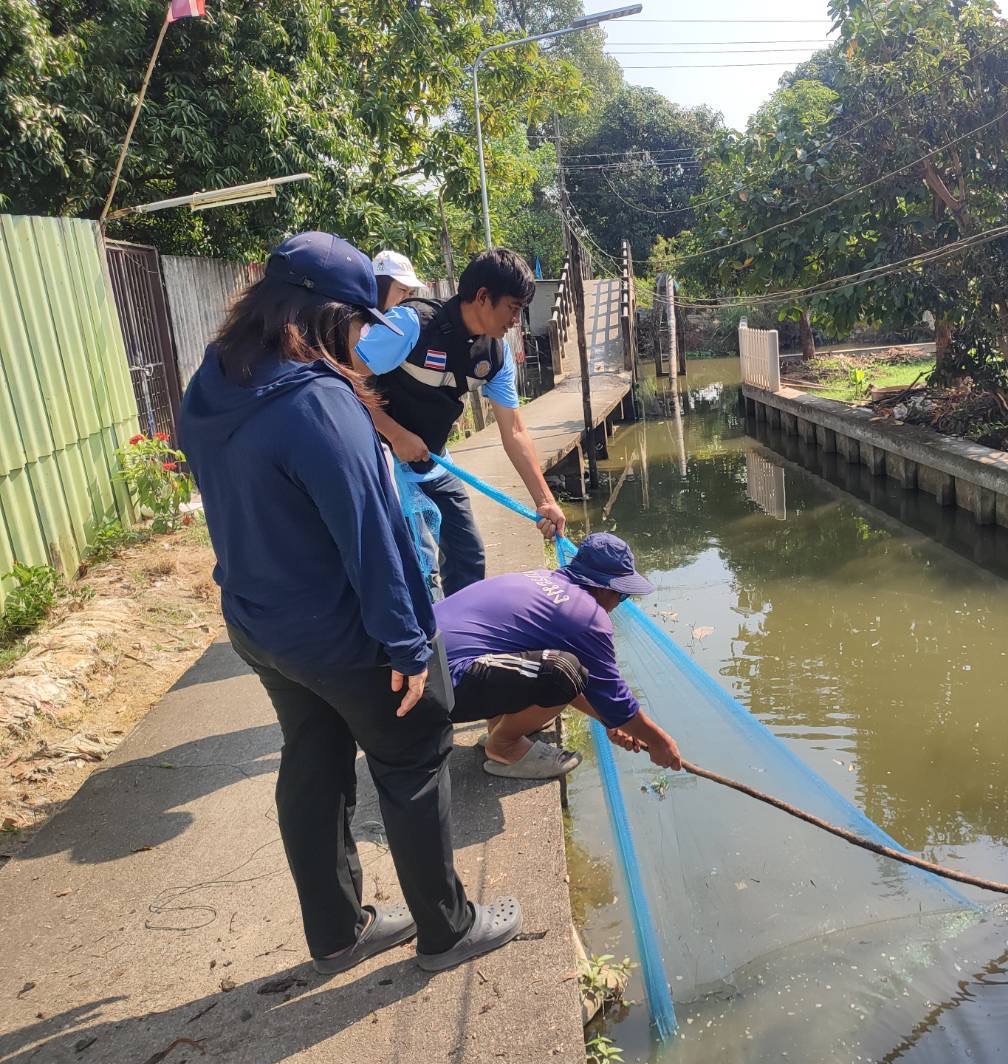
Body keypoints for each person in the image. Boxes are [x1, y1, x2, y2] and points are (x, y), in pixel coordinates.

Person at [178, 231, 521, 976]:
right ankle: (448, 930)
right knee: (413, 758)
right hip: (340, 632)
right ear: (328, 315)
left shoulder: (212, 382)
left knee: (313, 759)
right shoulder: (318, 402)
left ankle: (337, 932)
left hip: (260, 624)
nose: (363, 340)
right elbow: (372, 535)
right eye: (360, 323)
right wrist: (407, 645)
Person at [369, 248, 566, 596]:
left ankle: (461, 625)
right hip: (378, 462)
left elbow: (514, 431)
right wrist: (395, 435)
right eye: (513, 308)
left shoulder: (495, 355)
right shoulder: (410, 325)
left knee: (467, 553)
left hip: (433, 461)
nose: (516, 320)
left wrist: (544, 500)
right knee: (416, 565)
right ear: (483, 297)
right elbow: (342, 383)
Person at [435, 533, 684, 779]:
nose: (620, 602)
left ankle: (500, 726)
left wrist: (612, 721)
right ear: (604, 589)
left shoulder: (541, 579)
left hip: (422, 670)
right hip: (438, 690)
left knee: (555, 668)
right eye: (623, 594)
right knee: (562, 671)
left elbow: (589, 685)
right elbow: (610, 694)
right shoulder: (586, 616)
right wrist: (659, 742)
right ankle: (504, 746)